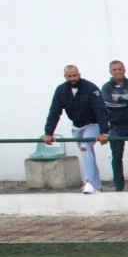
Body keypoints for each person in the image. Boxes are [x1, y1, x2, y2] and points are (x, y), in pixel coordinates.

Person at [43, 64, 109, 194]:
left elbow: (101, 110)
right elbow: (54, 111)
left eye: (74, 75)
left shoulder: (91, 88)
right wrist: (48, 132)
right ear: (65, 77)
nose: (72, 78)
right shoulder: (61, 90)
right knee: (87, 154)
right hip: (76, 128)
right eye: (69, 76)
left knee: (85, 147)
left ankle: (88, 182)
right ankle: (98, 186)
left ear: (79, 75)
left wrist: (104, 131)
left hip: (92, 125)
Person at [101, 60, 128, 192]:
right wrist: (127, 99)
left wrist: (117, 97)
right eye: (114, 70)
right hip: (115, 127)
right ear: (110, 72)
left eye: (120, 69)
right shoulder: (106, 87)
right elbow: (107, 103)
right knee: (117, 157)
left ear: (124, 70)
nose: (118, 72)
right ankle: (119, 187)